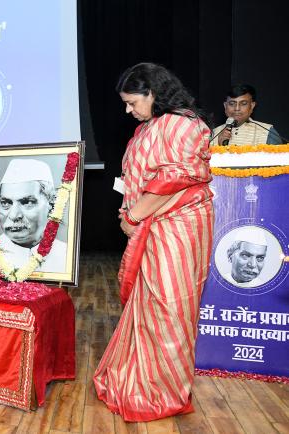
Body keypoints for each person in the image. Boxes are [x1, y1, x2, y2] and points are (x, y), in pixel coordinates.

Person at [93, 63, 214, 422]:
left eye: (132, 102)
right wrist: (133, 212)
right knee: (148, 305)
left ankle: (162, 392)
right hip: (154, 224)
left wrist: (133, 216)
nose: (128, 110)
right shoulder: (151, 127)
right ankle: (139, 380)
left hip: (177, 226)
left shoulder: (181, 124)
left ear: (154, 93)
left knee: (168, 308)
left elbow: (173, 179)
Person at [0, 159, 67, 273]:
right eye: (6, 203)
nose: (14, 215)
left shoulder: (65, 254)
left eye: (27, 202)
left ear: (51, 204)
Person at [211, 84, 283, 145]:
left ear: (252, 106)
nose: (237, 108)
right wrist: (218, 146)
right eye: (232, 104)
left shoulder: (268, 132)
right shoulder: (213, 134)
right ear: (225, 106)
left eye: (243, 104)